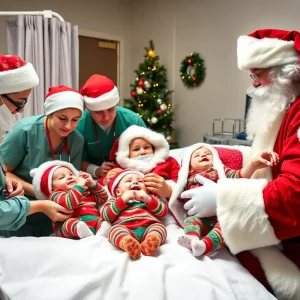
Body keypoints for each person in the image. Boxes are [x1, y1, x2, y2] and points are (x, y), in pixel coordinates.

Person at [181, 29, 300, 300]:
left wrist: (223, 199)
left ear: (285, 71)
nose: (254, 85)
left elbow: (295, 195)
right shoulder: (287, 107)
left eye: (257, 75)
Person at [0, 54, 72, 236]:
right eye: (19, 103)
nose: (21, 110)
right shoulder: (25, 131)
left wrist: (8, 183)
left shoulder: (76, 140)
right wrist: (38, 204)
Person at [169, 143, 278, 257]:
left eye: (207, 154)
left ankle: (204, 246)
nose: (203, 155)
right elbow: (177, 195)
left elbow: (238, 176)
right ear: (189, 166)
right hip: (198, 218)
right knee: (190, 221)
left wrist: (252, 165)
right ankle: (192, 237)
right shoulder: (187, 179)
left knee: (228, 227)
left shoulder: (220, 171)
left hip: (220, 216)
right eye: (197, 155)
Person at [77, 74, 147, 179]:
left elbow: (149, 153)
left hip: (133, 175)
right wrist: (97, 170)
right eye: (98, 112)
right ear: (89, 110)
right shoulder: (80, 126)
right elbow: (79, 161)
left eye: (110, 109)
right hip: (96, 179)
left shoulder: (133, 120)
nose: (106, 117)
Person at [30, 160, 110, 239]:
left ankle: (100, 233)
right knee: (71, 224)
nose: (69, 177)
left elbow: (103, 197)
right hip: (70, 225)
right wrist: (79, 186)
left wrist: (93, 185)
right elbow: (70, 203)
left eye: (71, 174)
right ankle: (83, 232)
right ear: (51, 187)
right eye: (61, 177)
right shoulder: (56, 195)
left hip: (93, 221)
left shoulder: (85, 191)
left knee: (103, 221)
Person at [102, 169, 168, 259]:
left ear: (147, 190)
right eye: (128, 181)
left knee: (159, 227)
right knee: (114, 230)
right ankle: (126, 242)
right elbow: (106, 216)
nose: (135, 182)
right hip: (125, 228)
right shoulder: (114, 201)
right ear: (118, 192)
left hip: (149, 226)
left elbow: (163, 212)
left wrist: (148, 199)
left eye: (140, 181)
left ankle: (151, 242)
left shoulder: (150, 198)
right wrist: (122, 200)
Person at [101, 125, 180, 199]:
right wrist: (105, 181)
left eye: (146, 147)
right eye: (136, 149)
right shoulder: (121, 167)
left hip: (162, 204)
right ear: (127, 153)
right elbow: (99, 186)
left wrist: (169, 190)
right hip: (131, 206)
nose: (142, 152)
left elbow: (181, 181)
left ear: (154, 148)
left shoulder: (168, 161)